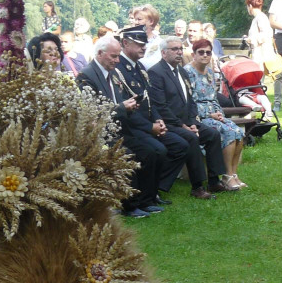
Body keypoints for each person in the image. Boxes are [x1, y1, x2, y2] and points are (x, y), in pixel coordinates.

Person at [77, 37, 163, 218]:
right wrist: (123, 107)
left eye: (118, 57)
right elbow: (94, 110)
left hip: (121, 128)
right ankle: (129, 205)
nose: (117, 61)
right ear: (99, 54)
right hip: (103, 134)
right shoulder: (86, 76)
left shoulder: (113, 74)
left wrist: (130, 106)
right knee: (127, 154)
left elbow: (119, 102)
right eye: (113, 57)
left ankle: (146, 200)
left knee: (152, 150)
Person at [114, 26, 189, 203]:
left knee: (180, 146)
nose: (143, 48)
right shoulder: (118, 69)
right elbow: (128, 108)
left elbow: (148, 100)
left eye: (144, 44)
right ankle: (145, 194)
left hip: (149, 124)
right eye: (139, 44)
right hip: (132, 127)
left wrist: (158, 120)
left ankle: (154, 188)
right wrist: (150, 127)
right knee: (156, 150)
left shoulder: (139, 67)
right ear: (125, 43)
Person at [148, 37, 228, 199]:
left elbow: (190, 100)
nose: (179, 52)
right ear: (163, 53)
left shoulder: (181, 71)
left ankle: (214, 181)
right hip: (168, 124)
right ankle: (197, 186)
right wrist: (183, 126)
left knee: (212, 135)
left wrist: (192, 122)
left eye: (180, 49)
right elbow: (160, 106)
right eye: (174, 49)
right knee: (191, 138)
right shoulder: (156, 73)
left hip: (186, 122)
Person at [185, 38, 246, 190]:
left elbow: (214, 98)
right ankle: (226, 176)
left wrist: (218, 113)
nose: (205, 55)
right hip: (198, 117)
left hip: (213, 114)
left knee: (238, 131)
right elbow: (188, 103)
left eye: (208, 52)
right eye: (201, 52)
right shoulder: (187, 73)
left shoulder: (211, 73)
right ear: (194, 54)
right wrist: (209, 115)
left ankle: (232, 174)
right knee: (228, 132)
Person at [246, 0, 276, 74]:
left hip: (262, 54)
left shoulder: (261, 17)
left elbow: (266, 34)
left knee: (259, 77)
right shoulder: (257, 18)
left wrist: (251, 39)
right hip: (258, 53)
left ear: (250, 6)